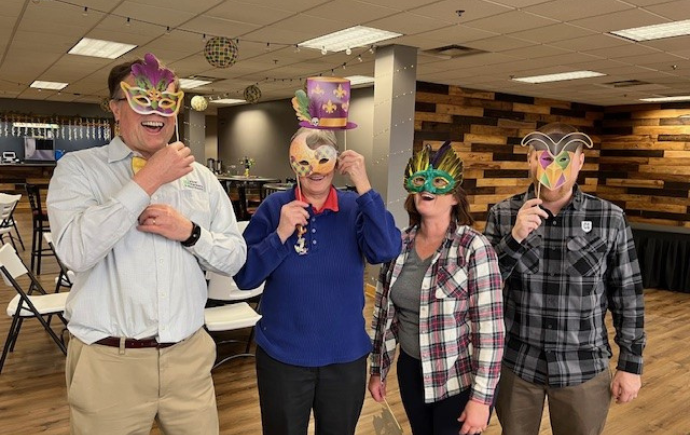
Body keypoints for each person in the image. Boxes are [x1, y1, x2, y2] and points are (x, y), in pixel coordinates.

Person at [47, 53, 246, 435]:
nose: (156, 112)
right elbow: (74, 253)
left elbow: (235, 258)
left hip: (189, 358)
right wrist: (149, 179)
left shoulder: (201, 178)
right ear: (116, 109)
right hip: (110, 364)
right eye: (142, 100)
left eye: (167, 102)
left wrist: (191, 233)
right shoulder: (79, 170)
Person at [234, 126, 402, 435]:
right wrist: (281, 234)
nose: (314, 170)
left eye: (323, 158)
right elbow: (244, 276)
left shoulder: (355, 207)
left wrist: (364, 185)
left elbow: (387, 250)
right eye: (304, 161)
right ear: (291, 162)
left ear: (337, 161)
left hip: (345, 357)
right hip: (282, 356)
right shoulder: (274, 208)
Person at [484, 122, 646, 435]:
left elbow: (627, 295)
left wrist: (631, 364)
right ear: (531, 159)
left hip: (583, 366)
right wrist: (514, 238)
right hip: (518, 363)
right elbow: (484, 288)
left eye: (564, 161)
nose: (554, 170)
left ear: (580, 162)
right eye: (544, 159)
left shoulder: (609, 218)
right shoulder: (503, 213)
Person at [369, 142, 505, 435]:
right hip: (411, 372)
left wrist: (482, 399)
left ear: (455, 196)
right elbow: (384, 316)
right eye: (419, 180)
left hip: (456, 380)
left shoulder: (473, 248)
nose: (426, 188)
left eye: (438, 181)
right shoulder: (399, 245)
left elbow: (490, 331)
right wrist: (377, 371)